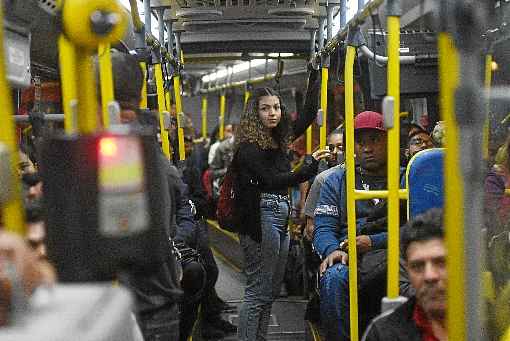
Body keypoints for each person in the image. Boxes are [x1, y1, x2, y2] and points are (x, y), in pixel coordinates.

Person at [94, 50, 182, 341]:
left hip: (142, 307)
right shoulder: (144, 143)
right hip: (153, 301)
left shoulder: (121, 151)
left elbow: (121, 235)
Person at [232, 79, 329, 340]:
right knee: (257, 291)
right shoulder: (248, 149)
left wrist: (314, 75)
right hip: (261, 215)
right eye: (265, 109)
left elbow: (307, 116)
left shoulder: (277, 140)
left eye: (276, 107)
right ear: (255, 113)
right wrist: (307, 166)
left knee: (270, 290)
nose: (273, 113)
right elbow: (273, 180)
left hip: (280, 213)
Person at [313, 111, 410, 341]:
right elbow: (324, 228)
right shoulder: (336, 181)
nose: (367, 148)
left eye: (374, 140)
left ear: (389, 141)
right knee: (335, 277)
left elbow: (418, 228)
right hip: (350, 255)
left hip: (395, 251)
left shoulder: (406, 178)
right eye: (360, 142)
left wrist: (375, 242)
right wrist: (332, 250)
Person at [363, 208, 447, 341]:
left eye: (441, 262)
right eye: (417, 267)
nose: (429, 276)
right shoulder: (383, 334)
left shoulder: (489, 323)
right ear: (407, 271)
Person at [303, 127, 344, 240]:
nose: (334, 152)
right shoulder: (320, 175)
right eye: (331, 148)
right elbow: (310, 225)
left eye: (340, 147)